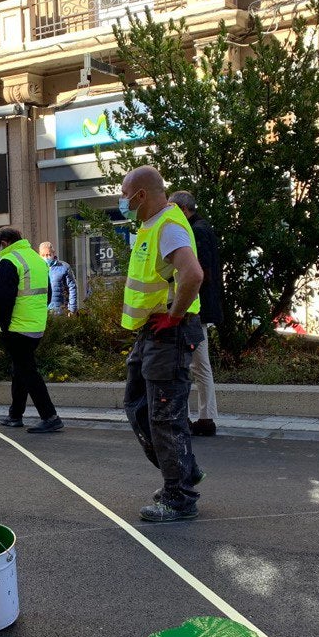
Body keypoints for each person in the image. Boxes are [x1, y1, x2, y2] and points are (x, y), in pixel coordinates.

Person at [119, 166, 206, 523]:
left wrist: (173, 315)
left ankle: (179, 496)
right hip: (152, 333)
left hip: (168, 333)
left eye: (125, 195)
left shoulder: (168, 226)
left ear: (141, 195)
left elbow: (193, 274)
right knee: (138, 406)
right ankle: (184, 472)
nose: (122, 202)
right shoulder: (151, 225)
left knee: (163, 416)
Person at [0, 228, 63, 433]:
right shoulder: (35, 258)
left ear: (5, 243)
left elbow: (3, 300)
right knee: (20, 369)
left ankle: (50, 416)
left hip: (17, 326)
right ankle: (15, 415)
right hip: (36, 325)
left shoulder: (9, 261)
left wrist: (2, 326)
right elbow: (48, 295)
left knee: (27, 370)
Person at [169, 191, 223, 437]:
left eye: (172, 207)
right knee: (200, 365)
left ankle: (205, 418)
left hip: (195, 308)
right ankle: (205, 416)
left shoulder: (195, 231)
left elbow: (197, 272)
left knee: (198, 365)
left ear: (181, 208)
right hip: (200, 306)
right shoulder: (202, 227)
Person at [39, 242, 77, 315]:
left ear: (53, 253)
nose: (46, 257)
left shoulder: (64, 267)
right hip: (42, 311)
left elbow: (72, 287)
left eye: (49, 255)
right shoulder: (37, 269)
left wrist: (72, 309)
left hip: (59, 310)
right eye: (43, 255)